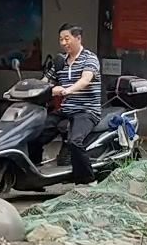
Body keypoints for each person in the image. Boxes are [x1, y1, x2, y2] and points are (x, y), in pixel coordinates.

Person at [29, 24, 101, 183]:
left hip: (87, 111)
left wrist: (68, 90)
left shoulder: (89, 58)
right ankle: (34, 176)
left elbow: (85, 80)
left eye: (67, 39)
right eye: (61, 39)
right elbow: (45, 81)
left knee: (75, 142)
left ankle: (87, 180)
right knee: (33, 133)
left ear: (78, 38)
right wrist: (31, 90)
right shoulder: (60, 61)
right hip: (66, 110)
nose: (63, 43)